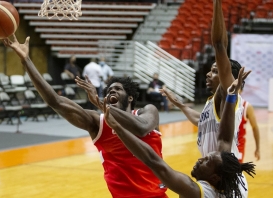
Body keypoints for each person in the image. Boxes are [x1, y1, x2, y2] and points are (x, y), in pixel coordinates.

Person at [3, 36, 168, 198]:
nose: (112, 91)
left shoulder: (148, 111)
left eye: (118, 89)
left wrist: (101, 104)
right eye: (109, 90)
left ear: (130, 97)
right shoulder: (98, 123)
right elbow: (56, 101)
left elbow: (141, 128)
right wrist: (26, 61)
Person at [103, 67, 255, 198]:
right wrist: (231, 96)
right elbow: (225, 138)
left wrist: (117, 126)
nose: (201, 159)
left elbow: (152, 160)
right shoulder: (235, 186)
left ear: (214, 178)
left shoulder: (194, 191)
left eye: (206, 161)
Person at [160, 1, 249, 197]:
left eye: (216, 71)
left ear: (228, 77)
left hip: (224, 176)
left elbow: (219, 45)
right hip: (215, 174)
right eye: (209, 70)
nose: (209, 74)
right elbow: (201, 120)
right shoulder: (212, 103)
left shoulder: (227, 96)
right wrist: (180, 104)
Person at [238, 87, 260, 163]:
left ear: (241, 90)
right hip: (225, 145)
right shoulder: (224, 104)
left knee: (234, 171)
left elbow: (255, 127)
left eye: (237, 88)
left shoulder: (247, 107)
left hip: (238, 146)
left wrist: (257, 148)